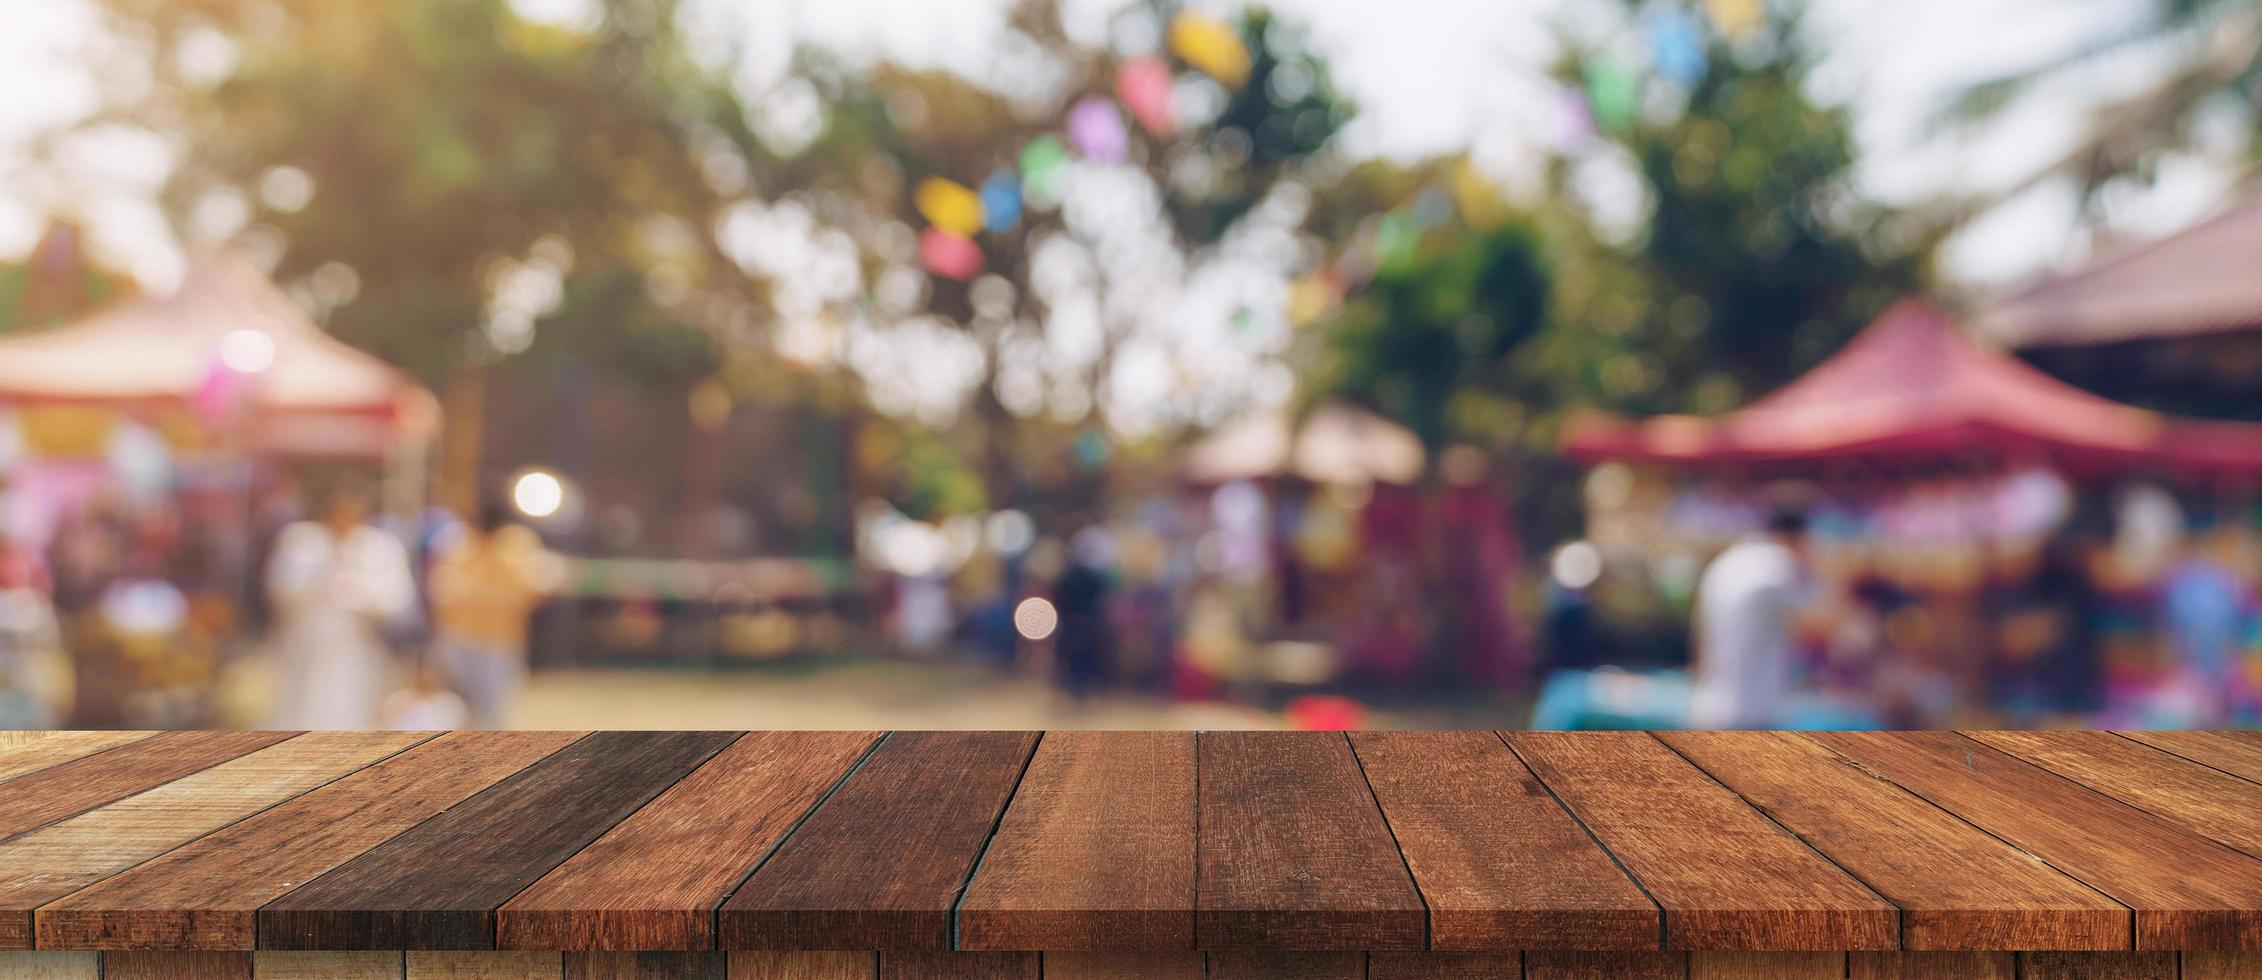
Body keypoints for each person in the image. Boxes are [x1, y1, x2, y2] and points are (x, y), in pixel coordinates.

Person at [265, 481, 415, 729]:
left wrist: (361, 594)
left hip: (357, 651)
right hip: (305, 647)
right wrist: (324, 573)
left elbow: (398, 599)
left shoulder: (379, 546)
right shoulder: (301, 541)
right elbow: (281, 589)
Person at [427, 497, 557, 729]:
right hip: (458, 639)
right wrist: (495, 594)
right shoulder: (457, 540)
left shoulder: (516, 542)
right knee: (453, 711)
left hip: (499, 643)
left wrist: (479, 592)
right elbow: (443, 592)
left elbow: (535, 589)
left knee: (494, 715)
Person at [1689, 497, 1817, 729]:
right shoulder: (1779, 563)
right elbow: (1822, 623)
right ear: (1798, 535)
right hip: (1750, 714)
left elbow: (1700, 637)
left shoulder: (1728, 560)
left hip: (1708, 708)